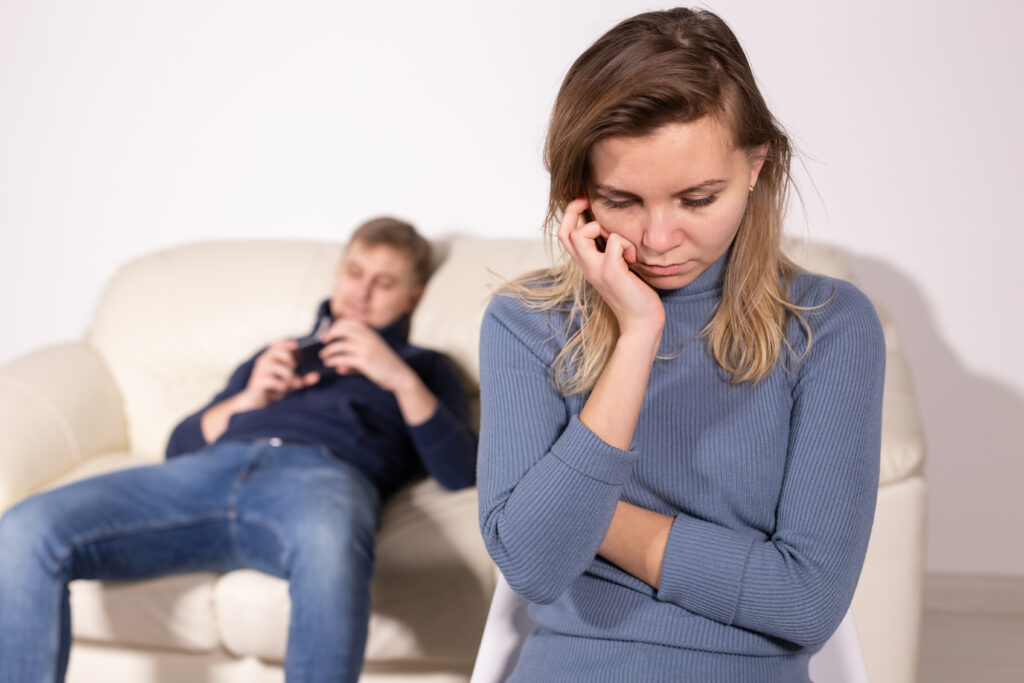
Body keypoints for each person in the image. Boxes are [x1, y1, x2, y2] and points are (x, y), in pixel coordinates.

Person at [477, 8, 885, 682]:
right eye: (622, 198)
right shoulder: (526, 322)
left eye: (697, 198)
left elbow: (806, 600)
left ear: (756, 165)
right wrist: (638, 333)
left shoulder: (830, 327)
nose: (659, 239)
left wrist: (587, 510)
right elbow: (533, 561)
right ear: (579, 193)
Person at [0, 217, 477, 683]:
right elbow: (179, 447)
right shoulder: (277, 352)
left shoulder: (424, 367)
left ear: (412, 297)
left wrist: (394, 375)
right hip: (210, 471)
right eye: (354, 273)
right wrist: (246, 400)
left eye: (384, 282)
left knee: (332, 553)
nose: (361, 292)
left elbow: (459, 471)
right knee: (24, 528)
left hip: (320, 481)